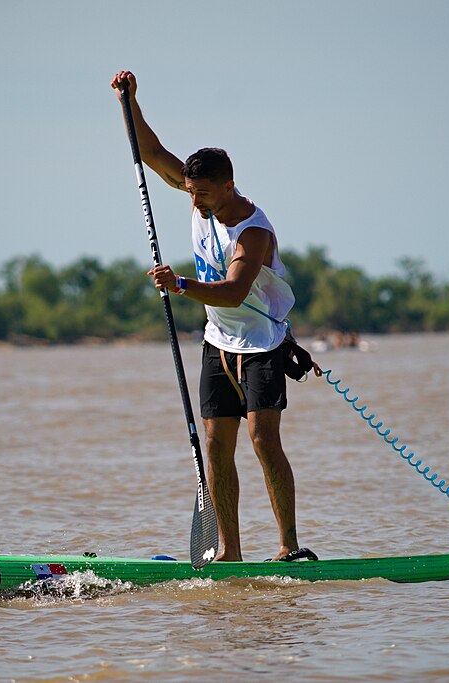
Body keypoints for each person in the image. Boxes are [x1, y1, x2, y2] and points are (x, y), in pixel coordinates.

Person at [111, 70, 319, 562]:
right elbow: (151, 153)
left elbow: (232, 290)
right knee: (215, 444)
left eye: (203, 193)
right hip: (218, 344)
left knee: (263, 439)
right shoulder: (197, 193)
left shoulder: (254, 234)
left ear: (228, 185)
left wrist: (180, 284)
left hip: (264, 347)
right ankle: (229, 552)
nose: (195, 200)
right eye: (190, 191)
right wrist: (130, 101)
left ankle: (288, 548)